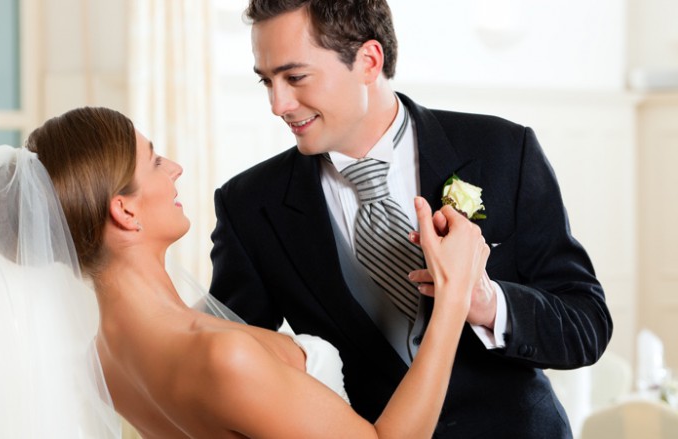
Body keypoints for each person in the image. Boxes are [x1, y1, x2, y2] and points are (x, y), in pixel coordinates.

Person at [0, 106, 490, 438]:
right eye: (154, 160)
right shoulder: (219, 356)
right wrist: (453, 292)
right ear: (124, 211)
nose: (175, 168)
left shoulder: (99, 360)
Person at [209, 1, 613, 437]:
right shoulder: (249, 204)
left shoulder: (502, 150)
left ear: (369, 61)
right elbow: (230, 361)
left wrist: (485, 301)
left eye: (295, 77)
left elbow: (585, 325)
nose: (278, 103)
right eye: (266, 81)